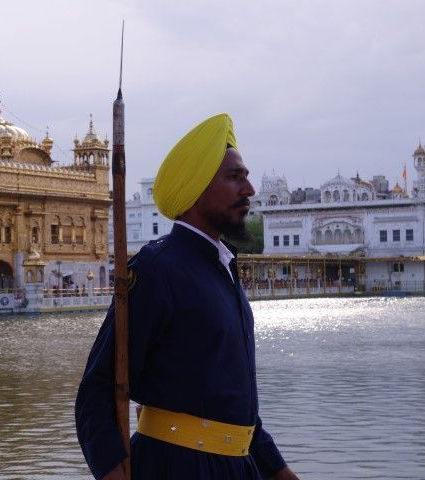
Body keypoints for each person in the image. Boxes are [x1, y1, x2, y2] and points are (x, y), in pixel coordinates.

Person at [75, 114, 299, 479]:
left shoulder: (222, 267)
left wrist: (279, 472)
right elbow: (96, 394)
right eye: (234, 177)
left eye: (245, 176)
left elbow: (233, 406)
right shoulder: (157, 269)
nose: (249, 189)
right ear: (196, 189)